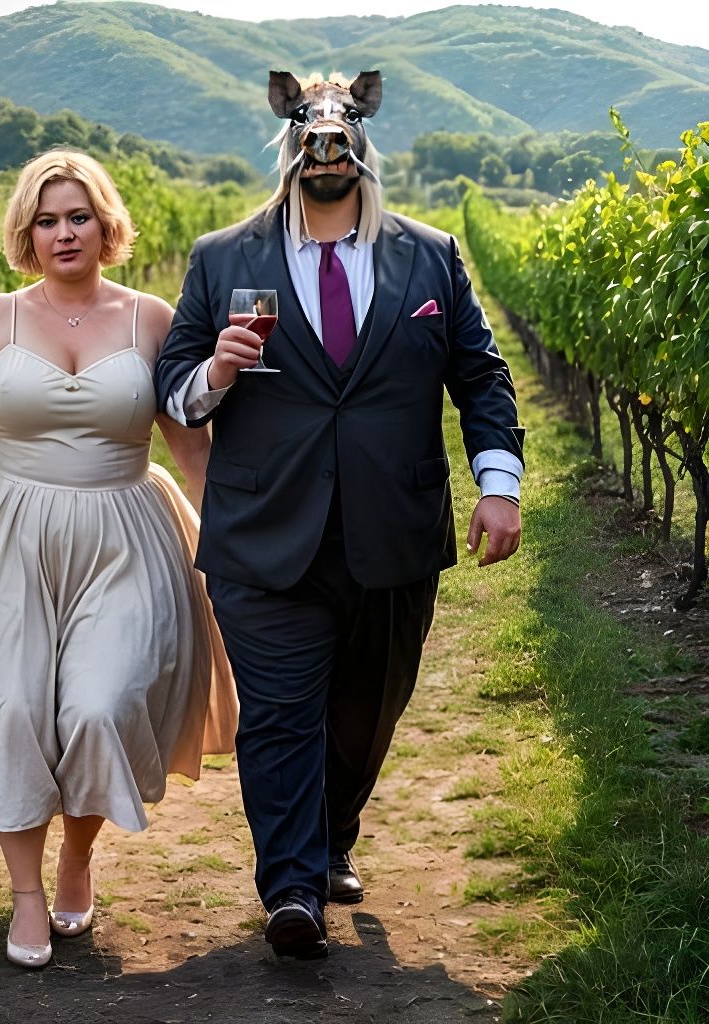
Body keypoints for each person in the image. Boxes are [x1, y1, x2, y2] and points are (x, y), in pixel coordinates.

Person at [156, 71, 524, 960]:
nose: (327, 153)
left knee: (366, 712)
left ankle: (331, 841)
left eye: (342, 138)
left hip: (392, 531)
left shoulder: (431, 255)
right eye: (312, 140)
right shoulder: (222, 257)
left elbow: (479, 374)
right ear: (289, 149)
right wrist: (217, 373)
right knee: (281, 714)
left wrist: (499, 482)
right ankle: (290, 888)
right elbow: (169, 388)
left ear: (362, 149)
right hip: (264, 536)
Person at [0, 150, 237, 970]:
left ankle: (78, 852)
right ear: (27, 233)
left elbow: (192, 447)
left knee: (103, 704)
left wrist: (235, 541)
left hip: (126, 534)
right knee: (12, 705)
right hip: (6, 534)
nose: (64, 232)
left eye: (78, 216)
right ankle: (26, 891)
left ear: (107, 225)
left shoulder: (153, 320)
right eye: (47, 219)